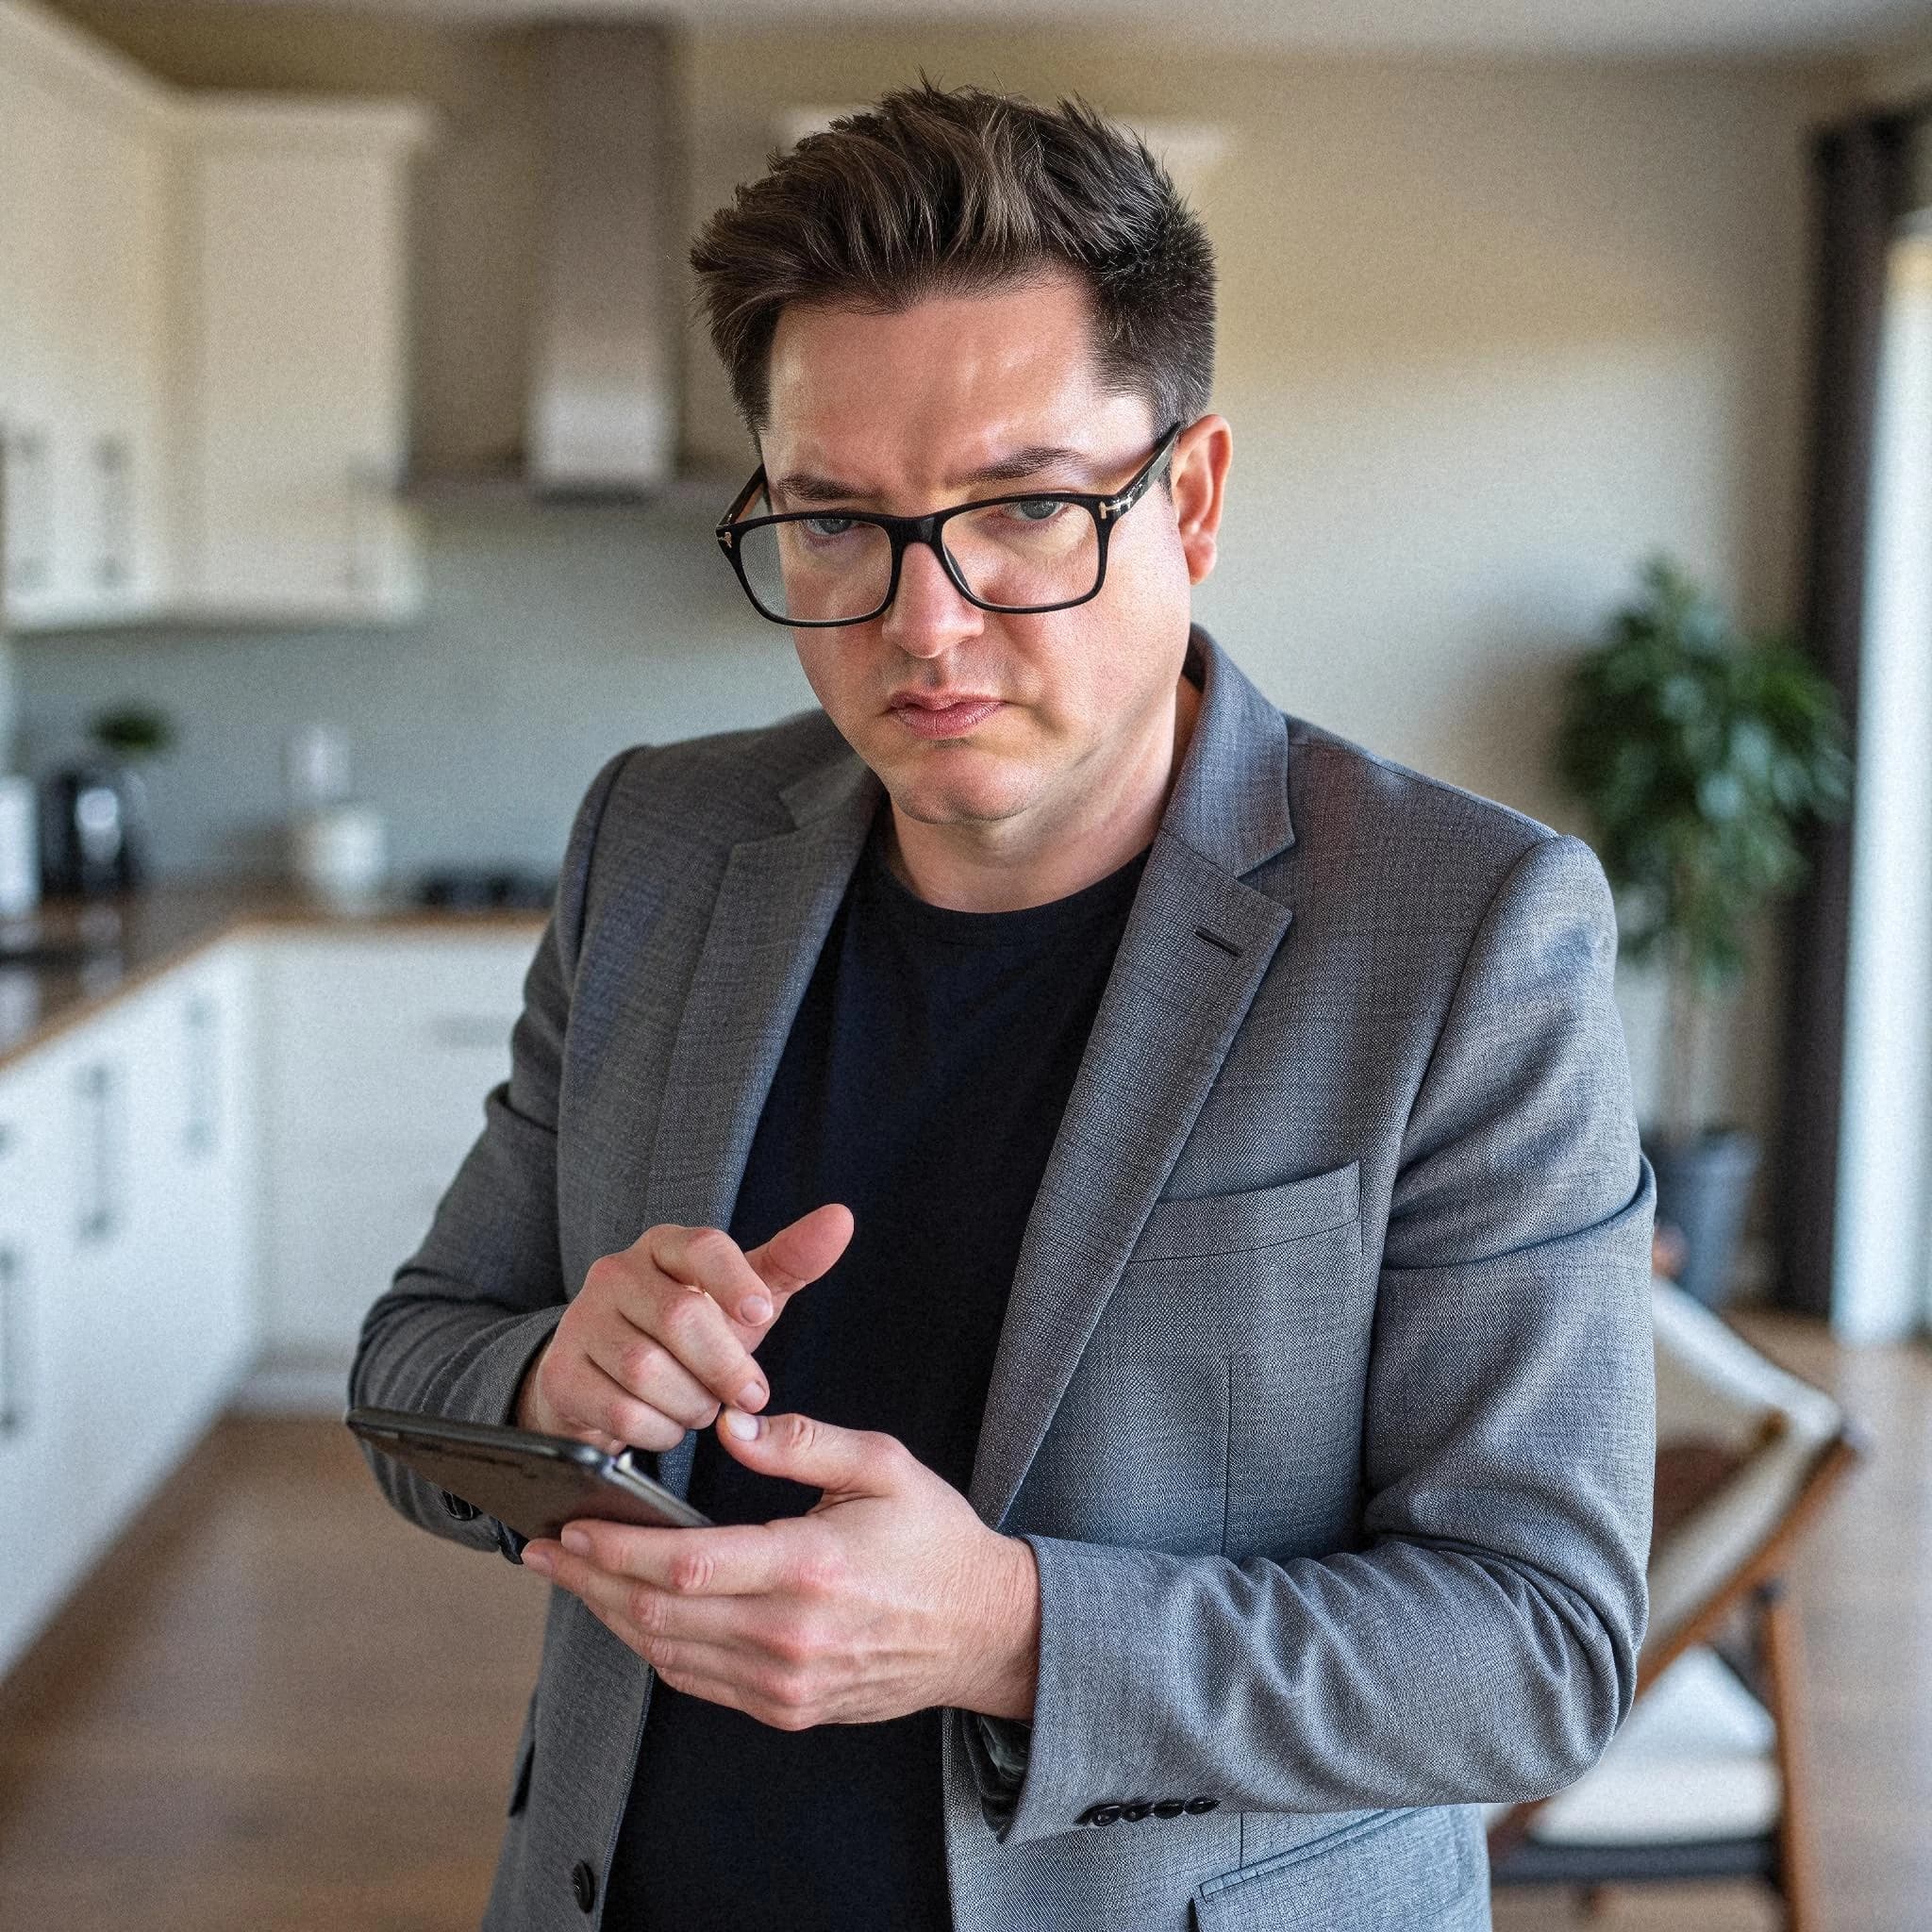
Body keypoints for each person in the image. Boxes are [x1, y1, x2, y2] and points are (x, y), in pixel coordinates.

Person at [351, 79, 1656, 1932]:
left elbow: (1534, 1645)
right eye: (833, 523)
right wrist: (555, 1380)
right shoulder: (656, 838)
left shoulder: (1465, 930)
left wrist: (1015, 1631)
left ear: (1188, 499)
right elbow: (409, 1370)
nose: (923, 628)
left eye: (1025, 511)